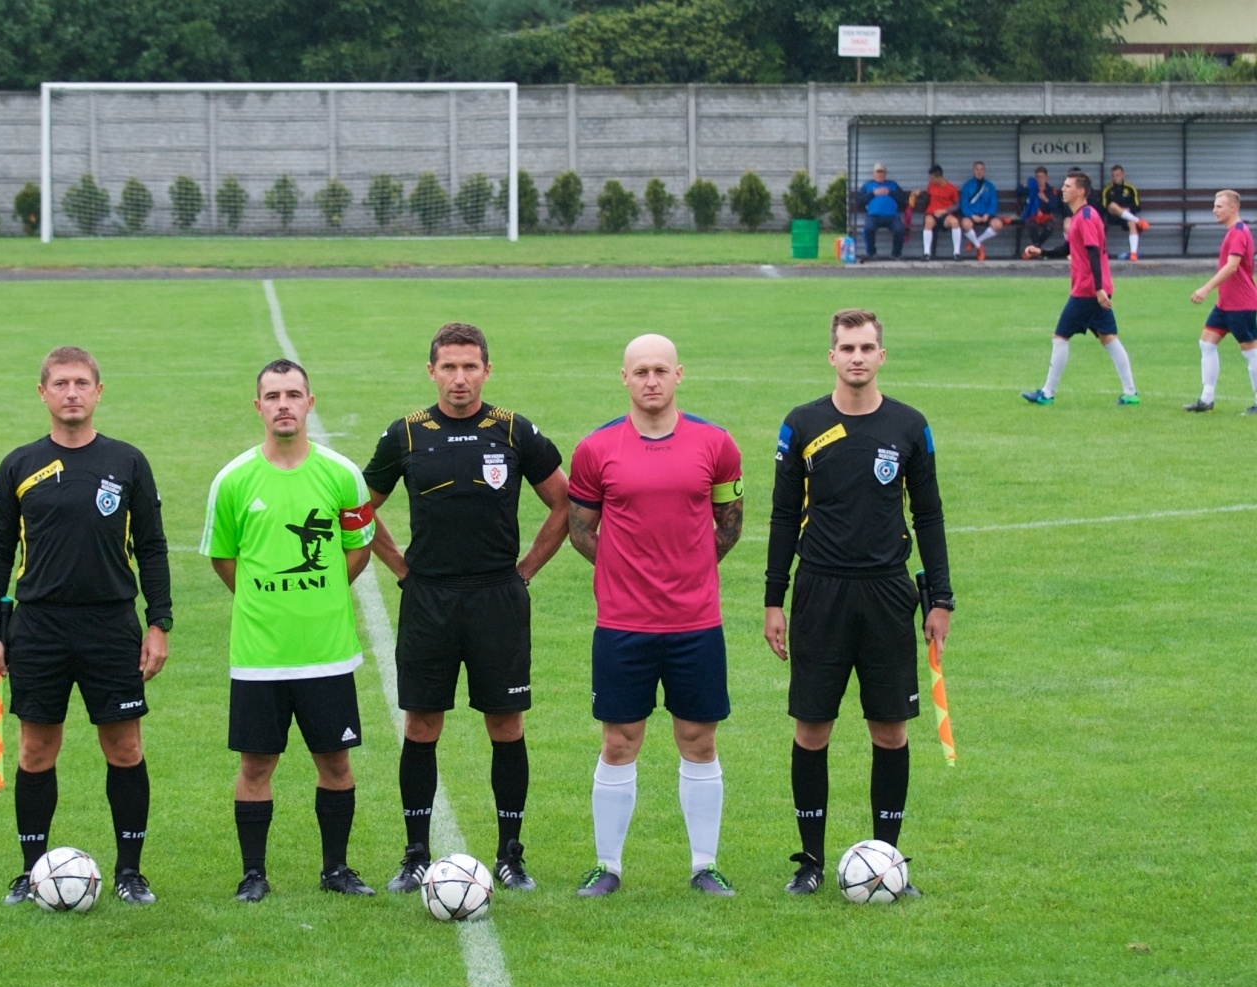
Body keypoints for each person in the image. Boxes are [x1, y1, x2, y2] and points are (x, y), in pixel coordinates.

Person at [363, 322, 570, 894]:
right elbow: (358, 509)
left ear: (486, 370)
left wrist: (526, 569)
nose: (460, 378)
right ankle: (414, 855)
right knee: (422, 723)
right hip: (428, 598)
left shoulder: (513, 430)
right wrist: (401, 567)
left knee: (505, 724)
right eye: (449, 367)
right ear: (431, 371)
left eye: (470, 366)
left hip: (497, 599)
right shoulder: (404, 434)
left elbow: (565, 501)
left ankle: (511, 854)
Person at [764, 308, 952, 898]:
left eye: (867, 347)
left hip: (888, 593)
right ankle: (811, 863)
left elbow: (929, 513)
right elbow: (781, 515)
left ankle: (889, 859)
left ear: (881, 356)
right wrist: (775, 599)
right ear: (832, 356)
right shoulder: (801, 425)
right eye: (847, 348)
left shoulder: (909, 426)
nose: (857, 358)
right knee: (812, 729)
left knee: (890, 731)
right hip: (820, 591)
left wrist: (939, 597)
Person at [0, 345, 171, 907]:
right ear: (43, 394)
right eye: (60, 383)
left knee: (125, 747)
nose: (71, 392)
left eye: (81, 383)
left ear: (98, 391)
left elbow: (153, 548)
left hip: (111, 625)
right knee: (37, 749)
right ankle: (29, 869)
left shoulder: (127, 462)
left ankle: (130, 872)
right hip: (37, 627)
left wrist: (158, 623)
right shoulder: (19, 465)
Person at [566, 334, 744, 899]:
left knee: (699, 738)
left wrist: (690, 568)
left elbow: (730, 522)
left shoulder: (716, 444)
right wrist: (625, 571)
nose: (650, 380)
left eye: (660, 370)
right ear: (624, 378)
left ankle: (704, 866)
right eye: (640, 371)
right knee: (620, 739)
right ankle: (607, 866)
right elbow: (579, 528)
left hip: (695, 623)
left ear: (678, 375)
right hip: (623, 624)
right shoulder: (596, 449)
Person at [202, 358, 378, 903]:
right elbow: (224, 559)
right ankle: (253, 874)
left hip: (326, 653)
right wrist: (264, 601)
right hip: (259, 656)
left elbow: (359, 547)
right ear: (258, 406)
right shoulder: (232, 480)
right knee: (256, 764)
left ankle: (336, 870)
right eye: (273, 395)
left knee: (336, 761)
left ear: (309, 403)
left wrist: (320, 595)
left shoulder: (342, 475)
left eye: (293, 394)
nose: (284, 404)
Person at [1021, 170, 1140, 407]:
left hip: (1088, 289)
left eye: (1067, 186)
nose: (1063, 189)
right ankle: (1130, 393)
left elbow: (1094, 252)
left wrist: (1097, 289)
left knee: (1060, 336)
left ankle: (1047, 393)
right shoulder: (1082, 216)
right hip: (1095, 287)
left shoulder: (1085, 216)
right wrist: (1041, 251)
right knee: (1109, 338)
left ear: (1081, 191)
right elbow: (1068, 248)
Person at [1184, 190, 1257, 415]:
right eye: (1215, 206)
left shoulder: (1238, 232)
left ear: (1233, 208)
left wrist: (1206, 288)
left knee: (1251, 352)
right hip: (1225, 303)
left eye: (1219, 206)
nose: (1214, 210)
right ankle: (1206, 399)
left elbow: (1232, 266)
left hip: (1241, 303)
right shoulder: (1233, 232)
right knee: (1206, 343)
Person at [858, 162, 904, 260]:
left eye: (882, 173)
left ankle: (896, 254)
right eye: (877, 173)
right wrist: (873, 193)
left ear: (885, 174)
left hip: (892, 216)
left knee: (899, 229)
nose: (880, 175)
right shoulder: (868, 185)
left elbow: (903, 199)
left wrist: (890, 192)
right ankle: (872, 254)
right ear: (873, 174)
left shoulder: (893, 184)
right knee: (868, 229)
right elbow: (860, 200)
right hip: (873, 216)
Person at [1103, 165, 1149, 262]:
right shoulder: (1107, 189)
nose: (1116, 178)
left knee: (1131, 222)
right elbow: (1103, 206)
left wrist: (1128, 209)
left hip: (1127, 216)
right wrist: (1118, 210)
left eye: (1118, 175)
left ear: (1123, 175)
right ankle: (1139, 221)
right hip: (1112, 216)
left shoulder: (1130, 188)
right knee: (1112, 205)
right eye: (1113, 175)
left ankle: (1133, 253)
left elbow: (1137, 206)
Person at [958, 161, 1002, 261]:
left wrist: (988, 214)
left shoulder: (990, 186)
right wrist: (972, 215)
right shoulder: (967, 186)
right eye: (977, 169)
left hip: (986, 214)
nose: (979, 172)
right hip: (972, 215)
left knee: (998, 224)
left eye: (981, 169)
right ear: (973, 171)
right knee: (965, 224)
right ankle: (979, 247)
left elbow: (994, 203)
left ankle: (975, 242)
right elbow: (963, 204)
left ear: (984, 171)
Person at [1019, 167, 1062, 256]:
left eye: (1041, 177)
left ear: (1046, 178)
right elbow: (1019, 191)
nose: (1039, 179)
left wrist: (1046, 199)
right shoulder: (1031, 188)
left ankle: (1036, 246)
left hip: (1045, 215)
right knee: (1031, 225)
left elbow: (1054, 206)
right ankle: (1037, 248)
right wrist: (1023, 186)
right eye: (1037, 177)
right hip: (1032, 215)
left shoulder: (1051, 191)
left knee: (1049, 226)